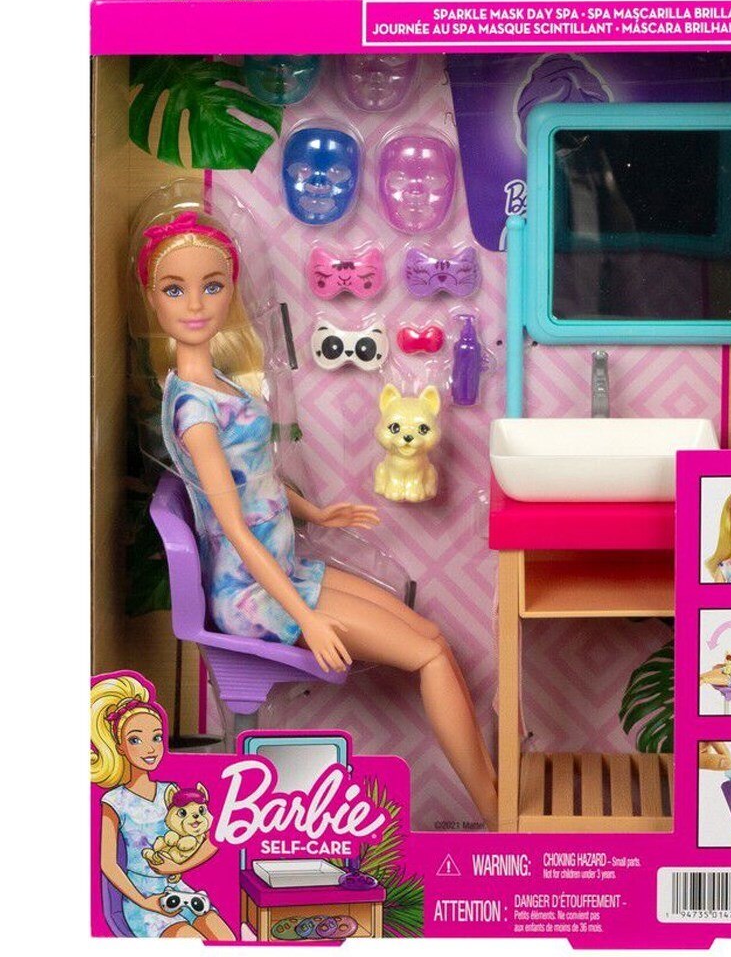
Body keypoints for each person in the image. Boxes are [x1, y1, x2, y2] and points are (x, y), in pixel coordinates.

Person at [137, 210, 498, 827]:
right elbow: (236, 528)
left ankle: (497, 792)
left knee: (434, 639)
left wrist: (314, 511)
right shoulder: (195, 413)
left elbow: (255, 478)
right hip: (254, 592)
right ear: (151, 296)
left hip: (284, 566)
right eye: (175, 289)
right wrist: (305, 618)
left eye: (211, 285)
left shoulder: (213, 383)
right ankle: (497, 816)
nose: (195, 304)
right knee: (428, 656)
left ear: (231, 288)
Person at [91, 675, 235, 939]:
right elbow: (108, 864)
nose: (150, 748)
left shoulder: (171, 792)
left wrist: (176, 867)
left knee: (226, 939)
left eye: (156, 737)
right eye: (136, 740)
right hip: (141, 899)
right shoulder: (114, 801)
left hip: (178, 890)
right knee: (190, 941)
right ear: (120, 746)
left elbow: (213, 838)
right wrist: (144, 901)